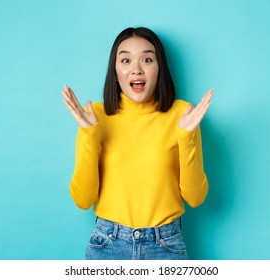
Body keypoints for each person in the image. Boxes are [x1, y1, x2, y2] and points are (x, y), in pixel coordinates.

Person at [61, 27, 213, 260]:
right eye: (125, 60)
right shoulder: (95, 115)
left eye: (147, 59)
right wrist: (89, 133)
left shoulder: (182, 114)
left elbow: (196, 198)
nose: (136, 69)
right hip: (107, 244)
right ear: (115, 70)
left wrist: (186, 136)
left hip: (165, 245)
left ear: (159, 68)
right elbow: (83, 200)